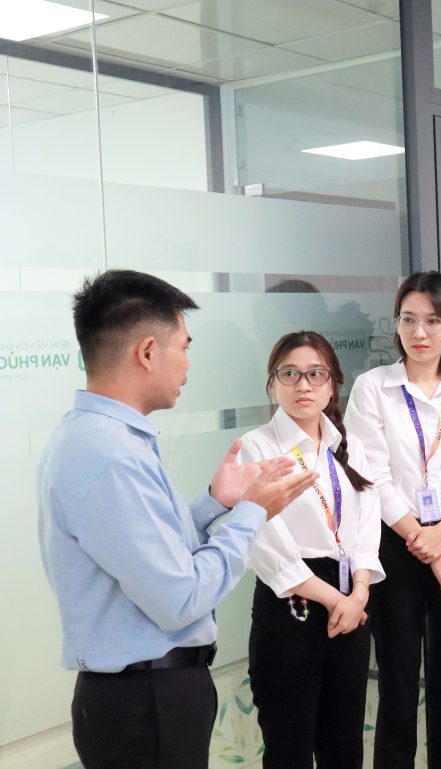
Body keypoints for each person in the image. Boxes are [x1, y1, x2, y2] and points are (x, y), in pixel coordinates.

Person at [37, 269, 317, 769]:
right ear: (147, 352)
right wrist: (253, 513)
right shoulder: (112, 456)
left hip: (145, 697)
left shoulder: (98, 438)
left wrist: (215, 504)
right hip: (146, 704)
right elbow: (180, 597)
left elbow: (149, 555)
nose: (188, 364)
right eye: (184, 347)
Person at [344, 271, 441, 769]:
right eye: (408, 319)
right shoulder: (373, 388)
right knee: (398, 682)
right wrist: (423, 542)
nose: (419, 332)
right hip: (394, 544)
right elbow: (372, 477)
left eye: (433, 321)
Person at [239, 331, 385, 769]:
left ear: (333, 383)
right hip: (293, 605)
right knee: (290, 746)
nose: (303, 385)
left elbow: (367, 523)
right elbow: (264, 540)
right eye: (290, 374)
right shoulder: (257, 447)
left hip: (351, 603)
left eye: (315, 374)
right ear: (273, 383)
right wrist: (336, 599)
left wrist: (360, 592)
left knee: (344, 744)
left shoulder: (349, 445)